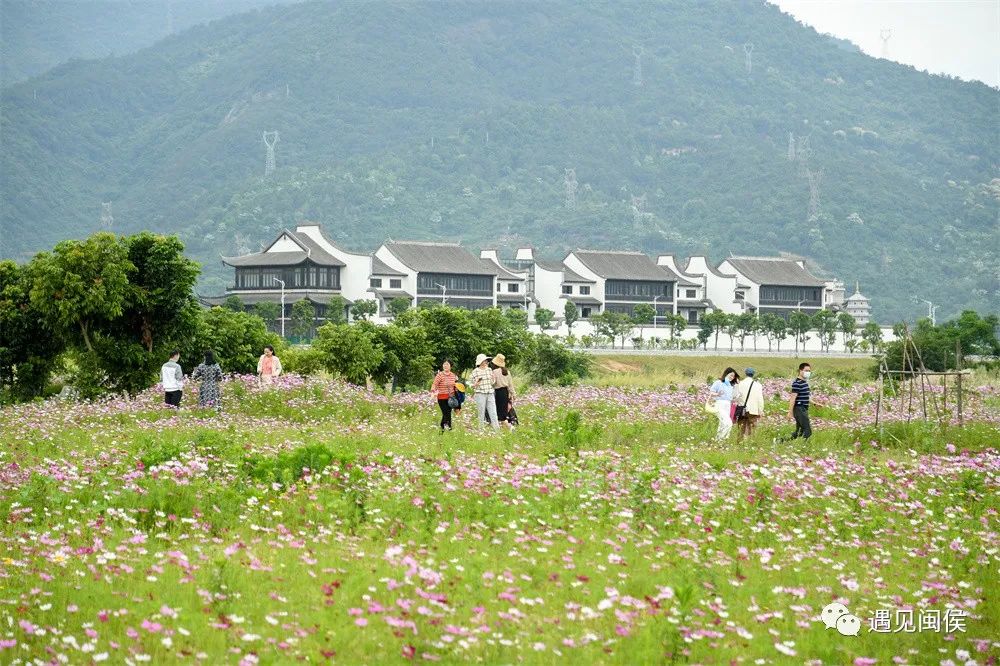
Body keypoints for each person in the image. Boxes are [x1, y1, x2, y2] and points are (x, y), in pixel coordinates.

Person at [469, 353, 499, 430]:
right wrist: (475, 384)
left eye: (486, 360)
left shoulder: (489, 370)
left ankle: (497, 431)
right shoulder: (475, 371)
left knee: (493, 412)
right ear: (480, 361)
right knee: (481, 412)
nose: (486, 361)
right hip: (480, 394)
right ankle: (481, 430)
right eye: (484, 360)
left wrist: (493, 379)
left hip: (490, 393)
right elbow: (469, 383)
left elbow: (492, 383)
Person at [734, 367, 765, 439]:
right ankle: (750, 443)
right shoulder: (758, 385)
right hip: (753, 410)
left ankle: (740, 443)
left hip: (742, 409)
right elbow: (760, 399)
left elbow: (736, 397)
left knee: (741, 428)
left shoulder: (740, 384)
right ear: (753, 374)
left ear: (745, 373)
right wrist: (760, 410)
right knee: (752, 428)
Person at [709, 367, 738, 441]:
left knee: (722, 423)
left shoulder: (731, 385)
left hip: (727, 405)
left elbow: (731, 397)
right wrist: (717, 394)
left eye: (733, 376)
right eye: (730, 375)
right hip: (720, 404)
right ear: (726, 373)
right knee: (728, 423)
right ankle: (722, 439)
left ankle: (718, 439)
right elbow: (711, 392)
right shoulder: (718, 382)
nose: (732, 377)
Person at [786, 362, 813, 439]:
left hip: (804, 408)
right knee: (807, 431)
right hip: (799, 408)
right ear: (800, 371)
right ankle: (803, 448)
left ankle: (780, 441)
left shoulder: (804, 383)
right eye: (806, 370)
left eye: (809, 371)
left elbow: (806, 396)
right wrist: (790, 412)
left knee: (799, 432)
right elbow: (793, 398)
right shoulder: (796, 383)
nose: (808, 373)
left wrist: (815, 403)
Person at [430, 359, 458, 431]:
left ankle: (442, 427)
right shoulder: (440, 375)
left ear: (450, 366)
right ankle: (449, 428)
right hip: (442, 398)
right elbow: (435, 384)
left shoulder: (453, 375)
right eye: (444, 364)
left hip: (451, 398)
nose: (445, 366)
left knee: (447, 413)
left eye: (447, 364)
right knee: (446, 413)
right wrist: (433, 391)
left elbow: (455, 385)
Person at [491, 353, 515, 428]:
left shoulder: (494, 372)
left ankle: (510, 427)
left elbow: (493, 384)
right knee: (503, 412)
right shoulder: (507, 371)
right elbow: (510, 384)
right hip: (505, 392)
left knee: (498, 413)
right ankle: (502, 428)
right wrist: (513, 394)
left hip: (498, 393)